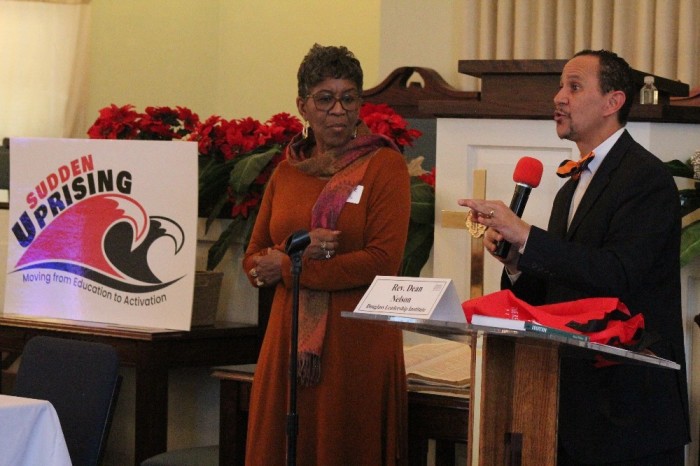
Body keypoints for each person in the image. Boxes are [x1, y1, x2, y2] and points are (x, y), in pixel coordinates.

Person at [459, 50, 690, 465]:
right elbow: (559, 294)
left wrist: (528, 236)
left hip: (629, 411)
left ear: (612, 102)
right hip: (573, 406)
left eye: (574, 86)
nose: (559, 97)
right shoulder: (572, 186)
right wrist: (516, 263)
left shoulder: (646, 177)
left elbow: (619, 274)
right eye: (560, 86)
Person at [242, 44, 410, 466]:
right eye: (325, 98)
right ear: (302, 105)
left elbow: (381, 262)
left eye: (348, 98)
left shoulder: (383, 166)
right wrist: (291, 254)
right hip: (288, 339)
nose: (338, 110)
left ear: (359, 105)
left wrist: (287, 266)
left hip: (357, 344)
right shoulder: (287, 171)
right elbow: (251, 259)